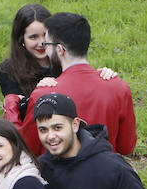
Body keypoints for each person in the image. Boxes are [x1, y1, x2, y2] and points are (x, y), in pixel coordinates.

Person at [17, 12, 137, 156]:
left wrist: (11, 104)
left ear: (60, 50)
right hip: (106, 174)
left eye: (46, 44)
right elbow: (126, 147)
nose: (45, 50)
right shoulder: (119, 87)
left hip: (56, 176)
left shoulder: (43, 95)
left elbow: (27, 148)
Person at [0, 4, 117, 120]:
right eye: (33, 37)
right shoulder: (8, 70)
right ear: (21, 39)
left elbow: (83, 91)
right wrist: (40, 92)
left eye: (45, 35)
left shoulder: (64, 58)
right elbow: (16, 113)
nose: (41, 43)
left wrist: (100, 76)